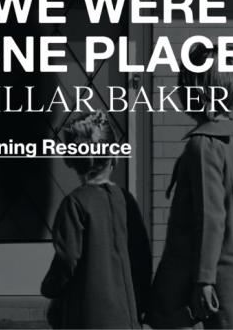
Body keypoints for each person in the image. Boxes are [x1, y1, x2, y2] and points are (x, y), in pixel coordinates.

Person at [149, 44, 233, 329]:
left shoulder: (204, 145)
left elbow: (211, 217)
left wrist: (204, 280)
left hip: (218, 276)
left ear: (193, 90)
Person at [41, 111, 152, 329]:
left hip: (87, 317)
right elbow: (142, 258)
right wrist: (142, 301)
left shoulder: (75, 204)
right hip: (126, 316)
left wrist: (50, 288)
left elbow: (67, 259)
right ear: (115, 157)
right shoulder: (126, 200)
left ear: (70, 160)